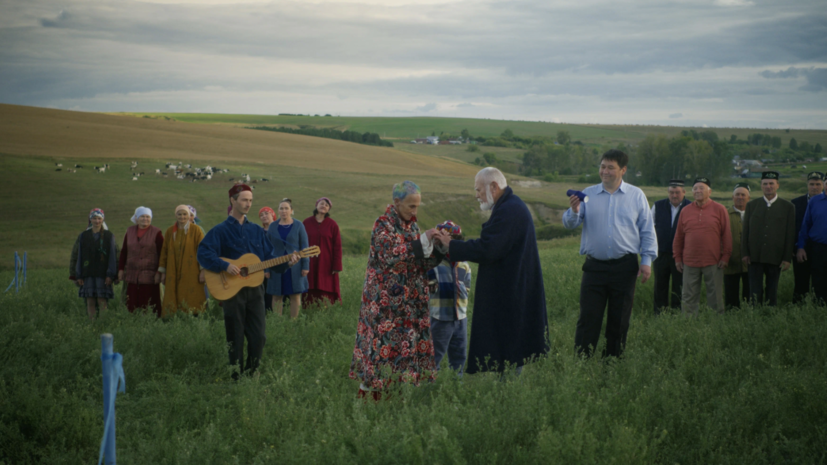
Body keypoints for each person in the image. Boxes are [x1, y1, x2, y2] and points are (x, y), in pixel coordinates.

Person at [436, 167, 549, 375]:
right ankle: (507, 392)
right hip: (511, 288)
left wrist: (451, 246)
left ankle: (509, 396)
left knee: (511, 347)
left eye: (479, 190)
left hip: (512, 292)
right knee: (508, 345)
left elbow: (488, 248)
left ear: (494, 187)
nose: (476, 195)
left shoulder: (510, 210)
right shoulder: (510, 206)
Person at [349, 181, 444, 400]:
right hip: (384, 306)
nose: (415, 211)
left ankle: (395, 402)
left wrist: (439, 250)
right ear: (397, 202)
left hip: (409, 304)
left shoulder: (413, 226)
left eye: (417, 206)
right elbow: (390, 255)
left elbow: (420, 263)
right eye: (411, 206)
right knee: (380, 353)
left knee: (403, 354)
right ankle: (367, 405)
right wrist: (421, 242)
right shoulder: (382, 224)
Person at [197, 183, 300, 379]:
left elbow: (270, 259)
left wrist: (288, 262)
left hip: (256, 291)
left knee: (259, 336)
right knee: (235, 337)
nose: (248, 204)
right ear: (233, 200)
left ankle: (252, 375)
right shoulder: (220, 231)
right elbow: (203, 253)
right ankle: (235, 376)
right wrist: (224, 265)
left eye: (251, 200)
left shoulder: (256, 231)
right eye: (244, 200)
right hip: (231, 291)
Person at [562, 149, 657, 358]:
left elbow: (647, 229)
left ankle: (611, 365)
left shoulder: (636, 195)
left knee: (619, 320)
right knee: (588, 318)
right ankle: (581, 364)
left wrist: (647, 260)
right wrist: (574, 211)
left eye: (610, 167)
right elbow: (570, 224)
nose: (605, 171)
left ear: (622, 170)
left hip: (625, 266)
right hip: (594, 267)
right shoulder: (588, 195)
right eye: (602, 166)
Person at [672, 178, 732, 315]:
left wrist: (726, 256)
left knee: (715, 296)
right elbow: (679, 237)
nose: (698, 191)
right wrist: (677, 258)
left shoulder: (719, 209)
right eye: (695, 189)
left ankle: (716, 324)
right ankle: (689, 325)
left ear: (709, 191)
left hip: (713, 261)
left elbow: (726, 235)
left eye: (701, 188)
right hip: (689, 262)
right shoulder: (685, 211)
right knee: (688, 296)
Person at [742, 171, 795, 306]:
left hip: (775, 256)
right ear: (761, 186)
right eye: (765, 184)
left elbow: (790, 234)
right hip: (755, 256)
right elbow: (745, 232)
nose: (768, 186)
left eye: (771, 183)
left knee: (772, 290)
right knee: (754, 291)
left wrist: (786, 258)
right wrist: (745, 253)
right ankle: (755, 317)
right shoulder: (752, 205)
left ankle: (770, 315)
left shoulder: (788, 207)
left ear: (777, 185)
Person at [427, 221, 471, 374]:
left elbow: (467, 285)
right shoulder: (433, 262)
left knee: (459, 356)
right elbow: (426, 284)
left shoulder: (463, 263)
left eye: (453, 239)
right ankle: (428, 387)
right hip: (440, 317)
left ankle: (456, 386)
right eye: (444, 239)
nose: (448, 243)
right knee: (435, 355)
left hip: (460, 317)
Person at [158, 205, 207, 316]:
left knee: (192, 294)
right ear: (176, 215)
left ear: (189, 215)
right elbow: (164, 252)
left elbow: (203, 251)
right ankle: (174, 318)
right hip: (173, 269)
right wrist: (163, 272)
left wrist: (203, 270)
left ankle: (193, 317)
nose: (182, 217)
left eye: (185, 214)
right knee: (173, 294)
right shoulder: (170, 231)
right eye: (179, 214)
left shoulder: (196, 230)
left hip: (192, 269)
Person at [650, 179, 691, 313]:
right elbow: (649, 229)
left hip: (681, 255)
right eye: (671, 192)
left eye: (677, 192)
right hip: (661, 254)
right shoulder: (658, 206)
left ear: (684, 192)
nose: (674, 195)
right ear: (668, 192)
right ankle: (659, 314)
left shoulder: (690, 207)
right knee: (660, 285)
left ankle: (676, 314)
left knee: (679, 286)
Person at [266, 199, 310, 318]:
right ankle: (277, 322)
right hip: (276, 265)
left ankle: (293, 323)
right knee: (276, 295)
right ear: (278, 211)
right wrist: (267, 269)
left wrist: (305, 266)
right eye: (281, 208)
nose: (284, 211)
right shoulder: (272, 226)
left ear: (291, 211)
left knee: (295, 295)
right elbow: (267, 248)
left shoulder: (299, 225)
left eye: (286, 208)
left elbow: (305, 247)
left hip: (295, 267)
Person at [74, 208, 118, 320]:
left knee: (101, 300)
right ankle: (92, 325)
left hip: (102, 273)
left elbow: (112, 256)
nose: (97, 221)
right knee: (90, 300)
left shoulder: (109, 236)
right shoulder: (84, 236)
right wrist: (79, 275)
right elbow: (80, 256)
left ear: (103, 219)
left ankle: (103, 324)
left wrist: (110, 274)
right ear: (90, 220)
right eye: (94, 218)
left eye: (99, 218)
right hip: (88, 273)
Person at [118, 206, 164, 316]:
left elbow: (162, 254)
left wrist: (159, 272)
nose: (145, 219)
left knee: (150, 303)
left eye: (148, 217)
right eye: (142, 216)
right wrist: (120, 269)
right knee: (131, 302)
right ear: (137, 218)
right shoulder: (129, 231)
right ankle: (133, 323)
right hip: (132, 274)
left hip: (151, 274)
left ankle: (152, 324)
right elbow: (124, 251)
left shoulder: (156, 232)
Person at [302, 197, 343, 306]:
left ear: (329, 209)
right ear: (316, 205)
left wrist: (336, 266)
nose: (323, 206)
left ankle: (325, 311)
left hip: (326, 262)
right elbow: (300, 242)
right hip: (308, 262)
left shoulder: (332, 225)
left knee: (325, 287)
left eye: (326, 205)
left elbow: (337, 247)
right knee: (309, 285)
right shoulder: (306, 222)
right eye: (322, 203)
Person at [791, 172, 824, 303]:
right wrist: (796, 247)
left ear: (823, 185)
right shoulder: (795, 203)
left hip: (820, 249)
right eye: (811, 184)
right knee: (800, 281)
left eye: (818, 184)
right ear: (807, 185)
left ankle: (819, 307)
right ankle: (798, 308)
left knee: (820, 280)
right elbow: (792, 228)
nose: (814, 187)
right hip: (800, 248)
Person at [724, 183, 751, 309]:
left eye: (743, 195)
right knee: (730, 294)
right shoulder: (724, 214)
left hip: (750, 262)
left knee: (750, 293)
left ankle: (748, 313)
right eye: (737, 195)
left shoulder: (754, 214)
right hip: (730, 262)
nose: (740, 197)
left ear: (748, 197)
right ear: (732, 197)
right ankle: (731, 314)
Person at [259, 206, 276, 312]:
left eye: (266, 213)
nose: (264, 216)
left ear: (272, 215)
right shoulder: (259, 232)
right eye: (261, 215)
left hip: (277, 263)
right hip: (263, 265)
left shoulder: (278, 230)